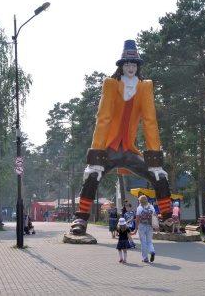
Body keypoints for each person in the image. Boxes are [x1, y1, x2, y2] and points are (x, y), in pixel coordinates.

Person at [70, 39, 172, 235]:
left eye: (134, 64)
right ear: (121, 66)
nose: (131, 68)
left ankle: (167, 219)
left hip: (128, 150)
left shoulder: (145, 86)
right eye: (127, 64)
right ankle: (80, 219)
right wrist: (97, 156)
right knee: (93, 174)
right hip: (110, 149)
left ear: (138, 66)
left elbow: (150, 120)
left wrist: (155, 161)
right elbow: (104, 117)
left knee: (159, 177)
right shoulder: (110, 83)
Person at [133, 194, 157, 263]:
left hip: (142, 226)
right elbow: (155, 215)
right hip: (149, 226)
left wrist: (136, 228)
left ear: (140, 201)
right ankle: (152, 251)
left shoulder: (139, 208)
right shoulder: (151, 206)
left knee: (143, 242)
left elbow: (137, 219)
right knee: (149, 241)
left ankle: (145, 258)